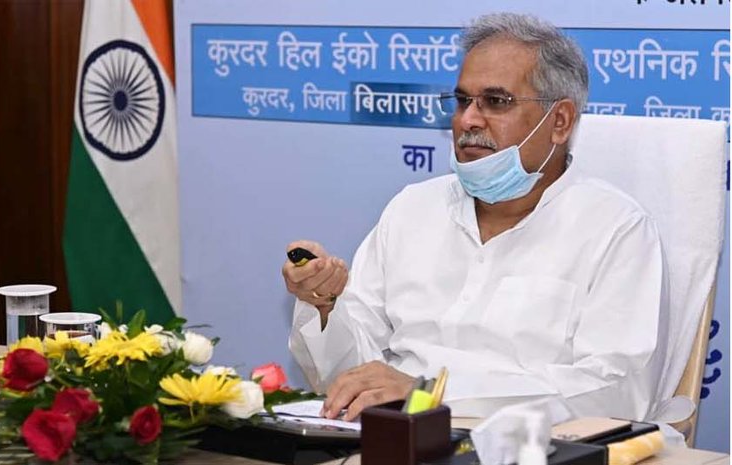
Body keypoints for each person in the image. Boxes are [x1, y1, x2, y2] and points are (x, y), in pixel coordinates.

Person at [282, 12, 665, 423]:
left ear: (559, 121)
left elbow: (615, 391)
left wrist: (430, 393)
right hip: (393, 434)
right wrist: (324, 304)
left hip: (530, 444)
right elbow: (348, 378)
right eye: (463, 100)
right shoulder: (412, 209)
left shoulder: (615, 229)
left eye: (496, 102)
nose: (467, 120)